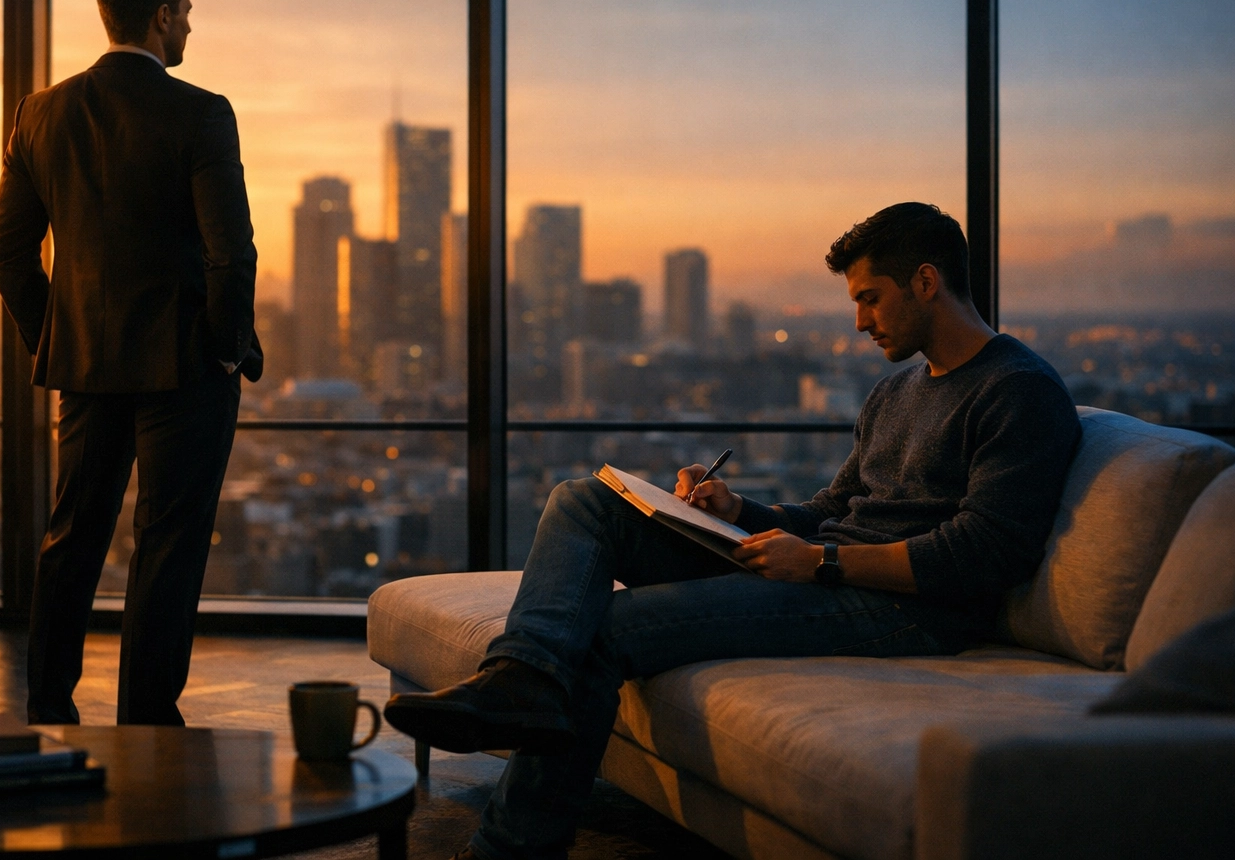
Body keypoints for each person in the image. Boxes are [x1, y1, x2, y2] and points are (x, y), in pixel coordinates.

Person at [383, 202, 1082, 860]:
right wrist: (736, 511)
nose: (861, 321)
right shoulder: (897, 390)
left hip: (909, 609)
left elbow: (986, 553)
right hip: (824, 571)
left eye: (869, 297)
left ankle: (512, 847)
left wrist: (822, 565)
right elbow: (831, 508)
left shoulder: (1016, 390)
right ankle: (520, 677)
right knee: (582, 500)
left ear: (926, 282)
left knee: (604, 628)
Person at [0, 0, 260, 726]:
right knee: (167, 545)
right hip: (185, 367)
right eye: (186, 10)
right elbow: (229, 251)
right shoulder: (202, 112)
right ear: (163, 14)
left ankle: (47, 703)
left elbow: (5, 253)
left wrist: (56, 340)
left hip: (85, 367)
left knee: (71, 535)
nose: (191, 25)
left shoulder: (41, 112)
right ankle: (145, 719)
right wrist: (224, 346)